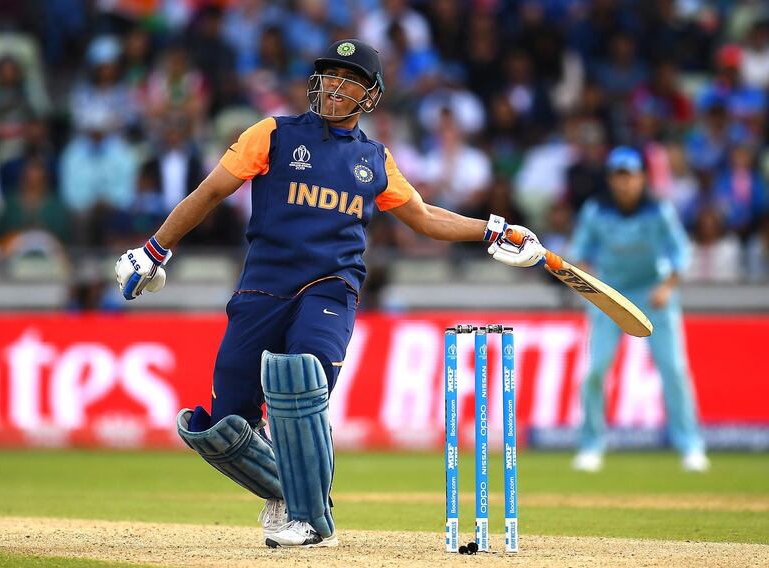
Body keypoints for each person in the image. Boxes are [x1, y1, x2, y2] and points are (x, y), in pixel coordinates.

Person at [114, 39, 544, 548]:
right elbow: (209, 192)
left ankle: (312, 521)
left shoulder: (374, 159)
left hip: (330, 286)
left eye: (350, 79)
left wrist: (493, 230)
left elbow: (426, 218)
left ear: (371, 95)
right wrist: (154, 249)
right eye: (330, 75)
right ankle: (288, 494)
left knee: (301, 380)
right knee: (222, 427)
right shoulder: (272, 133)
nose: (336, 86)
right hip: (262, 287)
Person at [571, 146, 709, 474]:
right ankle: (591, 445)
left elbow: (680, 251)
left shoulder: (658, 209)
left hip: (653, 294)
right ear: (610, 180)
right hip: (609, 296)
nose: (624, 184)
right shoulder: (595, 211)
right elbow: (581, 251)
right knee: (594, 370)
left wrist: (666, 287)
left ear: (641, 178)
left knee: (674, 369)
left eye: (630, 177)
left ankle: (691, 445)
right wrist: (588, 279)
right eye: (618, 178)